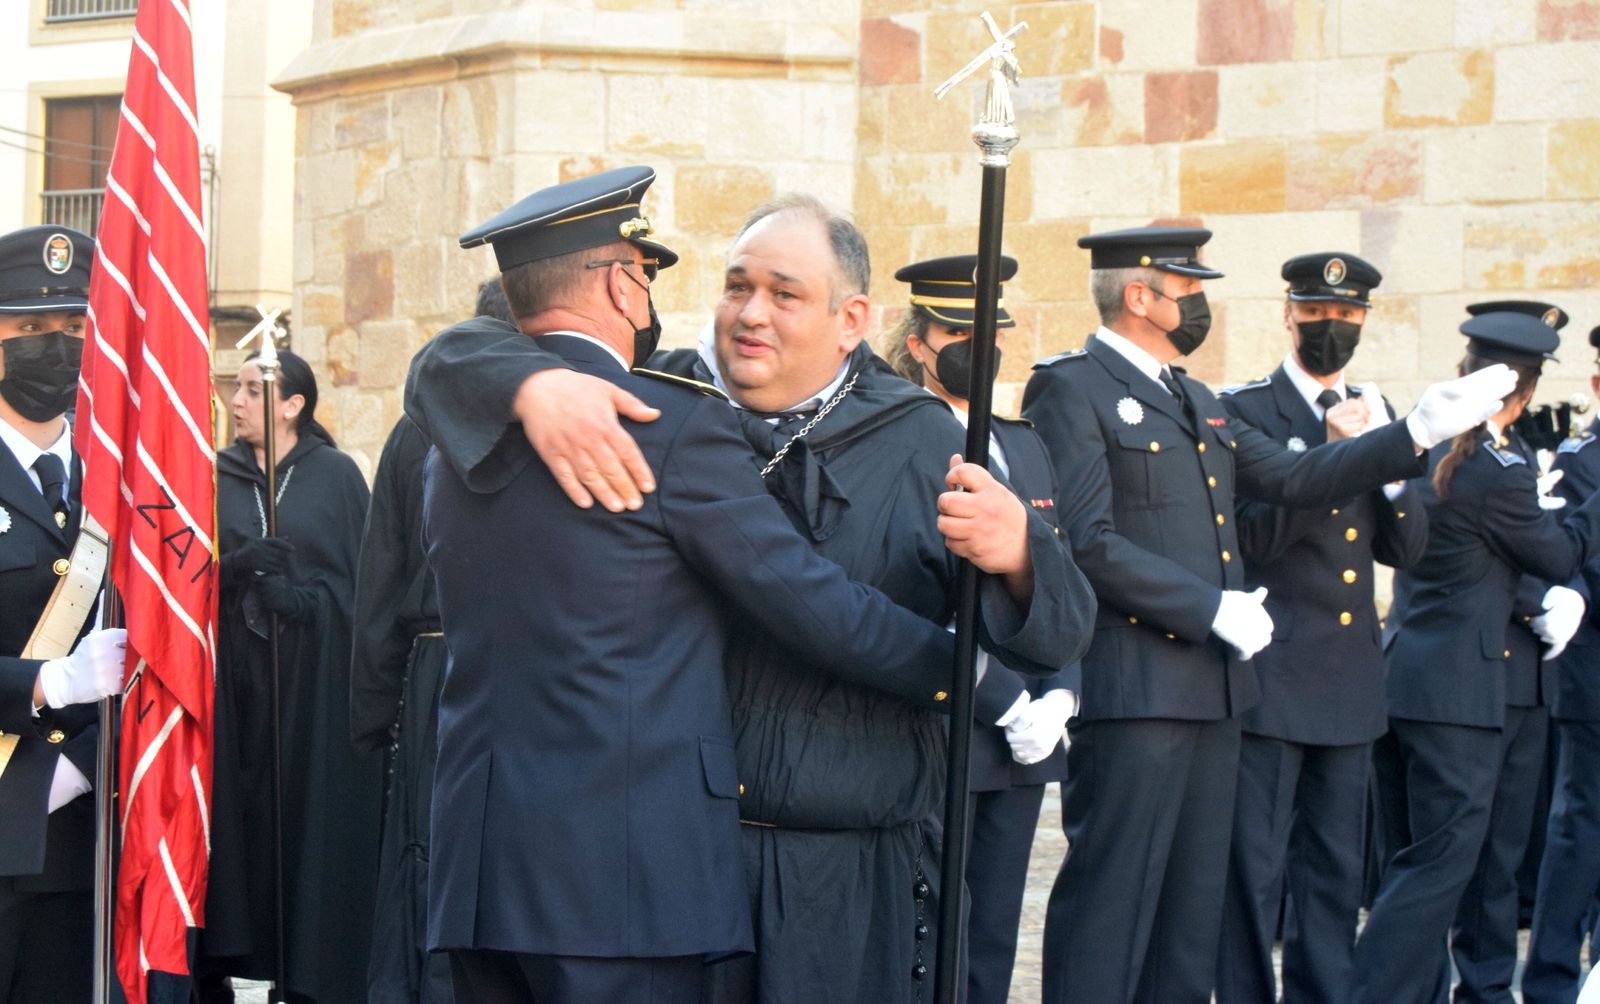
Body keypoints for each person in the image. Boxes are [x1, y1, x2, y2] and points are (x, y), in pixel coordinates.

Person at [406, 188, 1091, 1004]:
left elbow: (1058, 632)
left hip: (834, 873)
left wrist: (1020, 557)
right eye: (737, 286)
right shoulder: (640, 402)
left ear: (851, 319)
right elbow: (451, 358)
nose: (750, 313)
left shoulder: (922, 439)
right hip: (668, 868)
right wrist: (531, 384)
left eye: (784, 294)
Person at [1019, 225, 1516, 1004]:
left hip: (1216, 691)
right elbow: (1086, 539)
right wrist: (1206, 606)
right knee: (1111, 905)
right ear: (1140, 296)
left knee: (1190, 920)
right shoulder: (1073, 387)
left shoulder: (1193, 397)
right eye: (1189, 290)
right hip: (1138, 688)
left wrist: (1413, 432)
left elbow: (1291, 477)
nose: (1200, 305)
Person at [1351, 305, 1600, 1004]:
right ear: (1522, 392)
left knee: (1425, 863)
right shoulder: (1493, 467)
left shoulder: (1432, 449)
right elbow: (1559, 554)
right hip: (1459, 693)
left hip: (1417, 680)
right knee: (1437, 869)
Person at [1212, 252, 1428, 1004]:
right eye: (1315, 313)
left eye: (1346, 315)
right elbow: (1249, 540)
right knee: (1253, 872)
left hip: (1348, 679)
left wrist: (1389, 466)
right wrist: (1336, 457)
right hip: (1273, 675)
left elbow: (1408, 549)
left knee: (1335, 876)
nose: (1331, 326)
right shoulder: (1245, 410)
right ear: (1288, 315)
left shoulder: (1378, 408)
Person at [884, 253, 1080, 1004]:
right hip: (944, 721)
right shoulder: (898, 437)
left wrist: (1061, 693)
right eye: (959, 334)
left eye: (989, 334)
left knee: (994, 937)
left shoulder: (1020, 440)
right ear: (920, 341)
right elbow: (906, 596)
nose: (979, 348)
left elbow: (1059, 570)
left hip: (1024, 737)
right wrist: (1007, 699)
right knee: (931, 939)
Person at [198, 349, 378, 1004]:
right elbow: (182, 578)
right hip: (232, 689)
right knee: (234, 824)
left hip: (312, 689)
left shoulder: (335, 476)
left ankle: (306, 975)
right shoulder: (213, 475)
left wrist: (308, 603)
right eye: (236, 388)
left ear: (292, 404)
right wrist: (235, 568)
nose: (237, 401)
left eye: (253, 389)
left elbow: (365, 588)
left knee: (306, 824)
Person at [353, 276, 513, 1004]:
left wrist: (372, 713)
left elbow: (378, 582)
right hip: (492, 662)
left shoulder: (412, 426)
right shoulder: (549, 414)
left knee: (430, 853)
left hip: (434, 669)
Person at [0, 225, 126, 1003]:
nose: (56, 346)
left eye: (75, 328)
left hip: (87, 833)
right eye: (30, 327)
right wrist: (51, 684)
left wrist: (84, 760)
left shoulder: (118, 478)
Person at [1525, 325, 1600, 1003]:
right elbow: (1577, 564)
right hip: (1595, 677)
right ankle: (1551, 979)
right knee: (1582, 832)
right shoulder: (1583, 461)